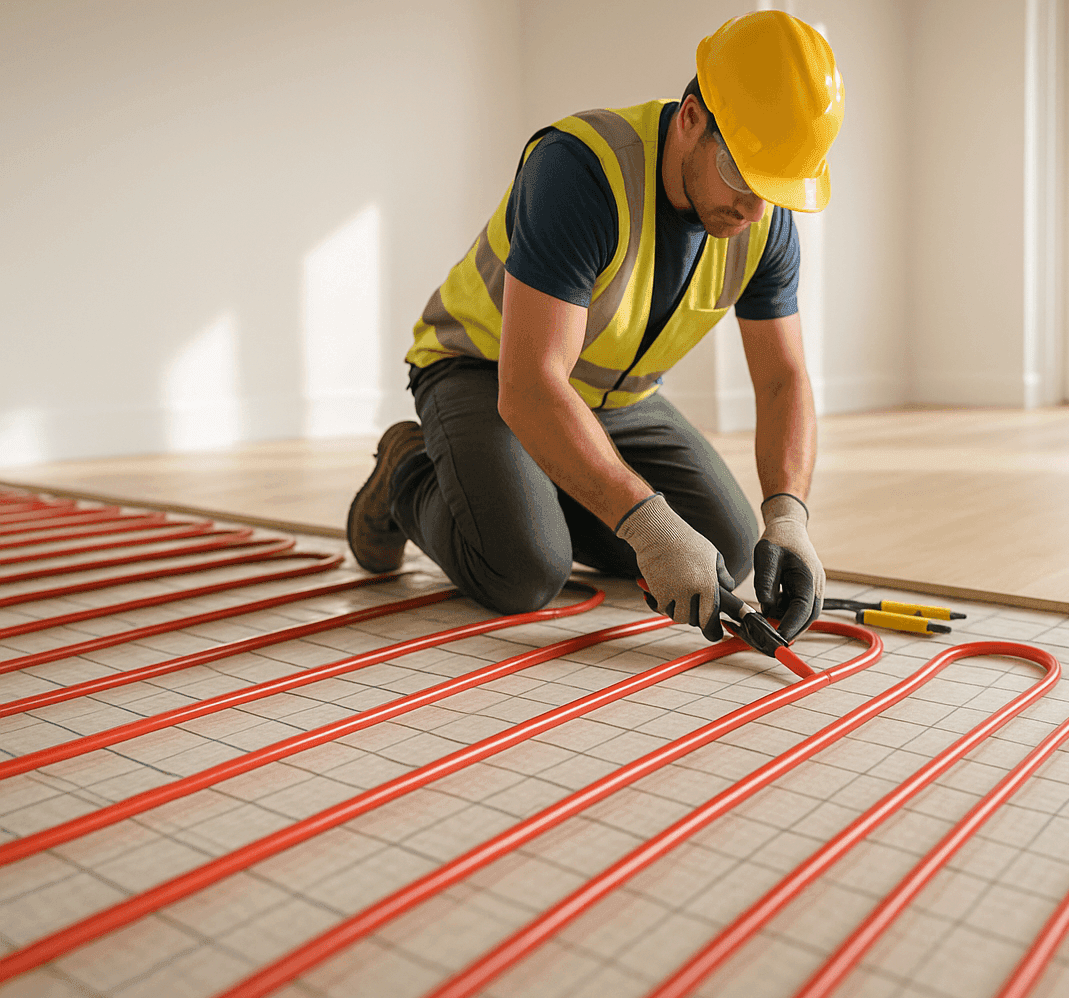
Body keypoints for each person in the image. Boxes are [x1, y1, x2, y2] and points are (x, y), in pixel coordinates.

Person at [345, 11, 842, 646]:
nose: (754, 209)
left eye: (777, 188)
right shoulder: (580, 171)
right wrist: (649, 526)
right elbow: (530, 385)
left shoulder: (763, 220)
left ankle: (533, 488)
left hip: (615, 400)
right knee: (524, 570)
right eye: (745, 175)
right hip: (485, 367)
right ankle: (409, 468)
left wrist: (789, 516)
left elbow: (782, 379)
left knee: (733, 550)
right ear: (691, 117)